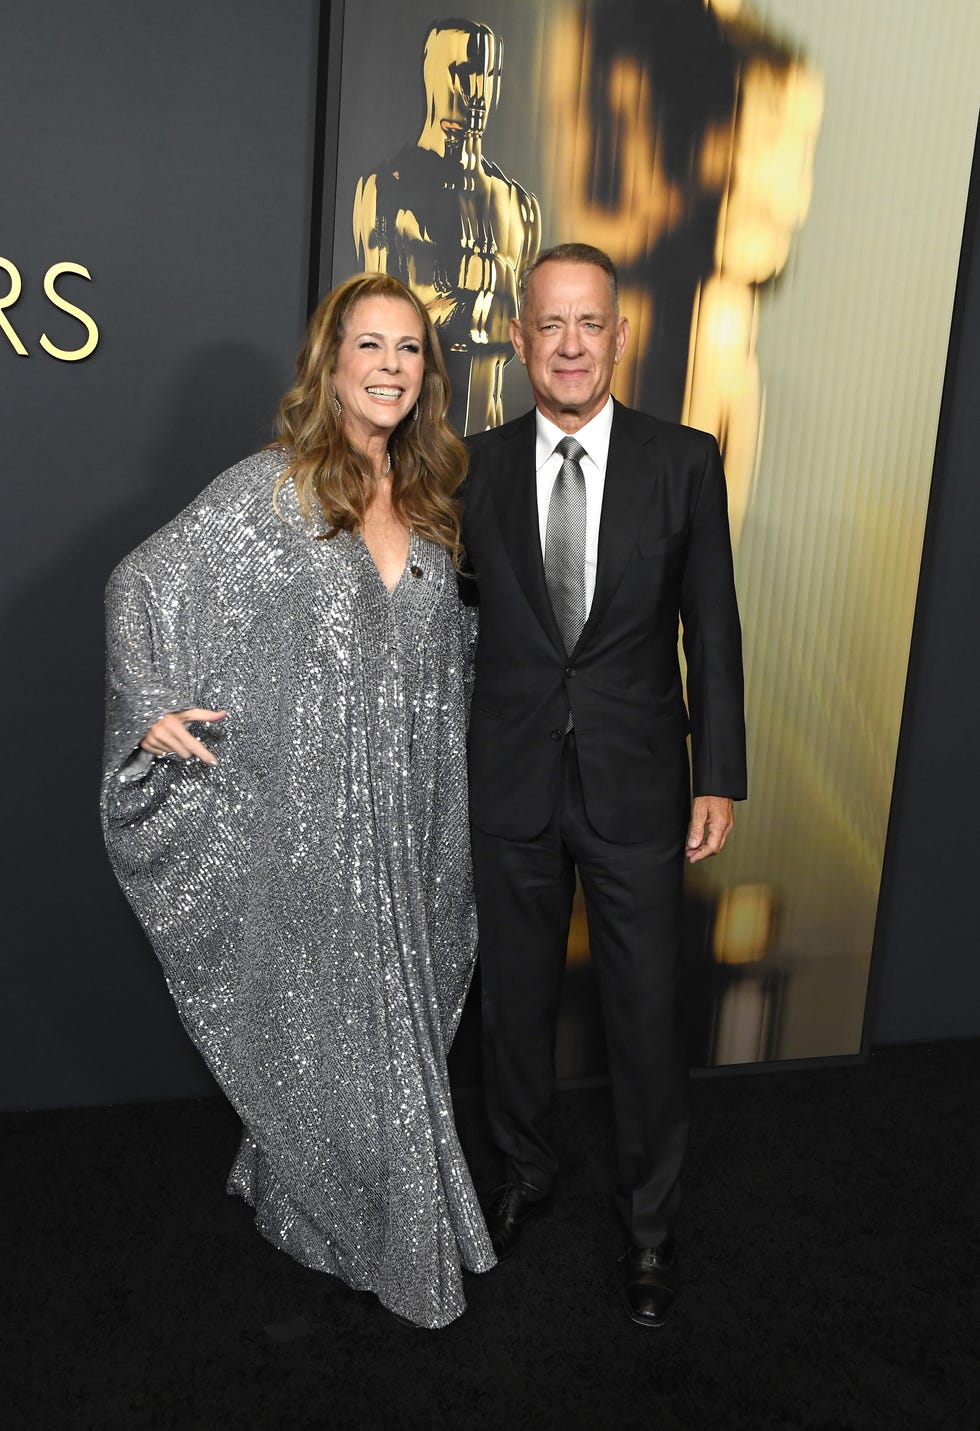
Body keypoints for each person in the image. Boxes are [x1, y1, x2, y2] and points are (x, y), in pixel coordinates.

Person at [101, 273, 495, 1329]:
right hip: (310, 821)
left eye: (408, 349)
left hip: (414, 816)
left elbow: (453, 661)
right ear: (330, 363)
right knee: (324, 1021)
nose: (388, 367)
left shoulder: (435, 501)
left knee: (400, 1017)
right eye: (368, 346)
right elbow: (144, 582)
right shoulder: (275, 490)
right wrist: (149, 708)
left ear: (427, 372)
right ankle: (357, 1222)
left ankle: (309, 1195)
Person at [460, 243, 746, 1327]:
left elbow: (709, 628)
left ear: (618, 336)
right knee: (513, 1012)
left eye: (590, 324)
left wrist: (716, 774)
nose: (570, 345)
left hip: (639, 789)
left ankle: (648, 1229)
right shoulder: (471, 466)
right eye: (549, 324)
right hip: (512, 785)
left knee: (641, 1017)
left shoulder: (683, 461)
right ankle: (525, 1175)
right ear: (519, 335)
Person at [354, 17, 540, 433]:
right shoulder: (384, 190)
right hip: (413, 440)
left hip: (494, 442)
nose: (478, 93)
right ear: (432, 74)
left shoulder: (519, 204)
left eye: (489, 75)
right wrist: (469, 301)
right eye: (464, 73)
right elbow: (372, 331)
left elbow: (521, 333)